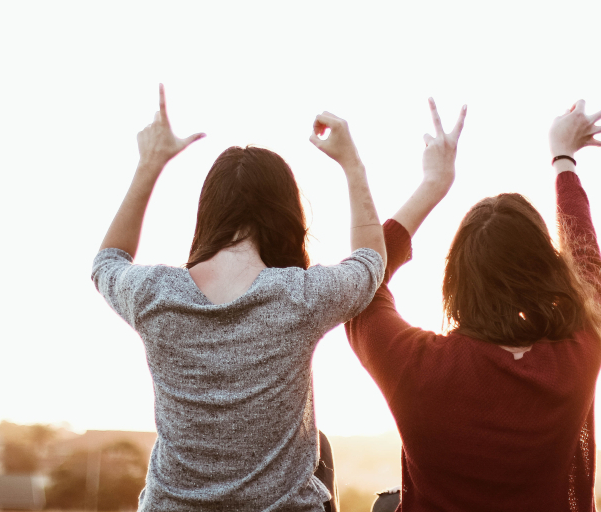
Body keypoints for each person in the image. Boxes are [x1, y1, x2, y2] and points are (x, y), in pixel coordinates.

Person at [92, 84, 387, 512]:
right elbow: (369, 262)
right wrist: (351, 163)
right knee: (319, 449)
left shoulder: (153, 294)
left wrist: (149, 165)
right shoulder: (299, 296)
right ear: (288, 215)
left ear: (209, 213)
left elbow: (106, 262)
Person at [347, 98, 601, 511]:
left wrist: (433, 185)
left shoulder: (418, 366)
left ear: (456, 280)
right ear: (547, 272)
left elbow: (362, 284)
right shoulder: (575, 357)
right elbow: (587, 263)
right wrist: (563, 158)